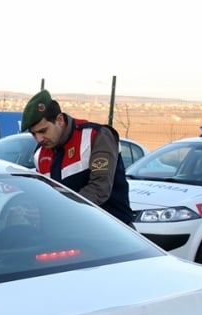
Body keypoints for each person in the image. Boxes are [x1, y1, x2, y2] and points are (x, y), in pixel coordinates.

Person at [21, 89, 133, 225]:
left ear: (60, 120)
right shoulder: (40, 154)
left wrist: (60, 210)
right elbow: (46, 195)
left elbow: (99, 189)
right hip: (70, 231)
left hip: (114, 231)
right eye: (34, 134)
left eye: (43, 131)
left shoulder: (95, 136)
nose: (39, 139)